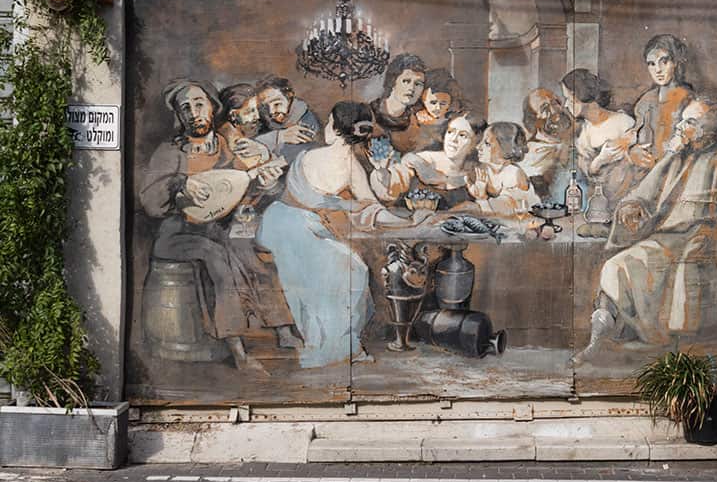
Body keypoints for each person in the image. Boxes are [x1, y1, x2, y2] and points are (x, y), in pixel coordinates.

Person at [257, 101, 425, 369]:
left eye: (328, 123)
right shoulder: (322, 159)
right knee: (341, 268)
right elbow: (370, 209)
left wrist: (409, 221)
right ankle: (328, 345)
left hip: (308, 226)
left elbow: (371, 208)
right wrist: (405, 221)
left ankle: (340, 345)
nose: (325, 127)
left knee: (353, 268)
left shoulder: (348, 166)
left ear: (334, 129)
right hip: (284, 222)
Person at [576, 95, 717, 361]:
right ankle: (599, 339)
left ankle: (667, 343)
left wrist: (711, 238)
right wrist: (633, 206)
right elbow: (644, 193)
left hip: (699, 241)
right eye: (681, 120)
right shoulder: (677, 157)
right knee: (616, 266)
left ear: (705, 129)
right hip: (665, 239)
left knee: (680, 270)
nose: (679, 127)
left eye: (688, 122)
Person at [139, 79, 289, 372]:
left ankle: (282, 327)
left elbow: (242, 189)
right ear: (179, 116)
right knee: (215, 255)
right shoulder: (171, 151)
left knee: (249, 247)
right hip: (177, 233)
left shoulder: (225, 145)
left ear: (211, 107)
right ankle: (238, 350)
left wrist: (267, 185)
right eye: (185, 107)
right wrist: (181, 185)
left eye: (198, 104)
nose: (193, 112)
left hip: (218, 225)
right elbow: (149, 200)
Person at [561, 68, 638, 208]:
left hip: (631, 198)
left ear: (581, 96)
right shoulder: (583, 136)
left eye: (568, 98)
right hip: (601, 203)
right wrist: (600, 160)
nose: (566, 105)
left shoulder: (623, 121)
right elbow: (589, 173)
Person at [376, 112, 486, 210]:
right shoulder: (418, 161)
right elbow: (388, 191)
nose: (453, 139)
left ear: (475, 143)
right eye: (450, 132)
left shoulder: (477, 172)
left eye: (462, 135)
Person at [628, 34, 694, 170]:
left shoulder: (689, 100)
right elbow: (634, 136)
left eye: (664, 62)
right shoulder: (645, 101)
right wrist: (633, 151)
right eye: (651, 64)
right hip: (645, 169)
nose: (658, 70)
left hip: (675, 170)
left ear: (676, 62)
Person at [469, 121, 540, 216]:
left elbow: (501, 217)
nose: (478, 147)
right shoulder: (483, 170)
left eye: (487, 143)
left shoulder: (513, 174)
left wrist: (482, 197)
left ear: (505, 148)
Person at [254, 75, 320, 163]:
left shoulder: (306, 120)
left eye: (277, 104)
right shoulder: (265, 120)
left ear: (289, 95)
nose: (271, 112)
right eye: (266, 106)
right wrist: (279, 136)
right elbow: (251, 145)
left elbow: (293, 157)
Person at [371, 53, 428, 154]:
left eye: (418, 84)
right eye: (406, 81)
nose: (412, 88)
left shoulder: (416, 122)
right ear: (393, 82)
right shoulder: (368, 112)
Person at [410, 67, 463, 152]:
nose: (438, 108)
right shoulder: (415, 117)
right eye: (433, 103)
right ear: (423, 100)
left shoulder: (453, 119)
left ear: (450, 103)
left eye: (443, 103)